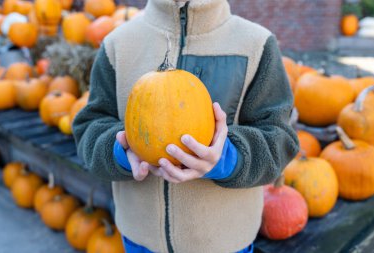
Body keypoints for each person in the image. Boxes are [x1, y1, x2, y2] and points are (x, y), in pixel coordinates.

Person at [73, 0, 299, 252]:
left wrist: (227, 157)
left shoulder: (256, 44)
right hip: (141, 239)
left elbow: (280, 139)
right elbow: (88, 128)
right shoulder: (118, 44)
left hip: (224, 243)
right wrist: (121, 152)